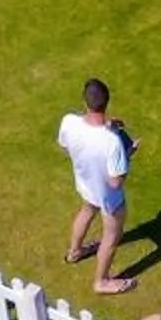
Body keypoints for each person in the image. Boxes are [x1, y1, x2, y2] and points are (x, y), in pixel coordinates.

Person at [56, 77, 136, 296]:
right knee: (111, 236)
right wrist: (127, 156)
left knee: (86, 211)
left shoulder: (69, 122)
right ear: (107, 102)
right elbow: (116, 181)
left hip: (85, 183)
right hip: (110, 198)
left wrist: (109, 127)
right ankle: (101, 282)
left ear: (85, 101)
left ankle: (74, 252)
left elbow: (66, 147)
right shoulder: (113, 143)